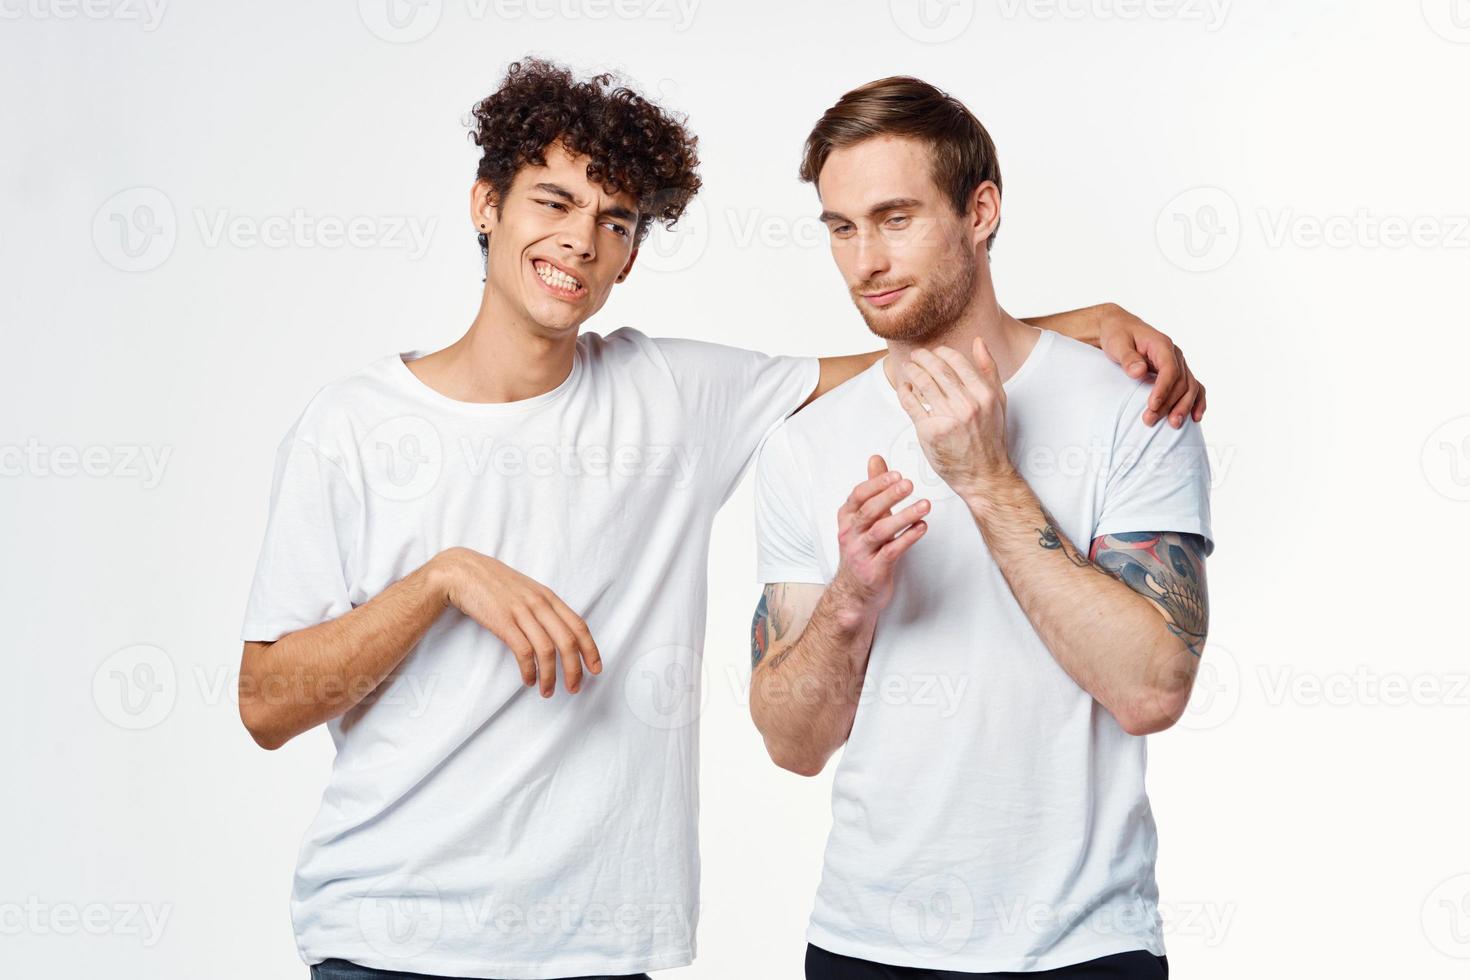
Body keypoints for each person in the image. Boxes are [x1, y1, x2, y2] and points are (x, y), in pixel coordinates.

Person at [238, 60, 1205, 980]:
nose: (581, 240)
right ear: (486, 205)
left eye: (617, 221)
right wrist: (443, 579)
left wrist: (1076, 323)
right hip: (386, 940)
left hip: (601, 948)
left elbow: (902, 347)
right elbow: (266, 703)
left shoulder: (673, 395)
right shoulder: (353, 427)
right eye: (553, 201)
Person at [749, 76, 1214, 980]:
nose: (865, 262)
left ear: (981, 211)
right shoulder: (807, 444)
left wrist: (988, 480)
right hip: (865, 945)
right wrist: (850, 599)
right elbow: (789, 744)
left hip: (1084, 947)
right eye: (841, 228)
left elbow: (1153, 690)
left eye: (894, 218)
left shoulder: (1131, 405)